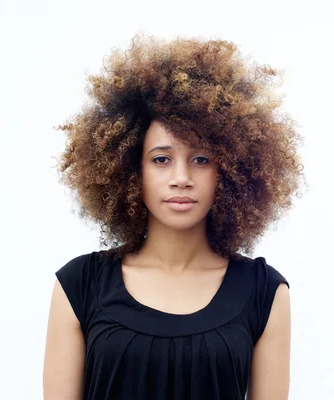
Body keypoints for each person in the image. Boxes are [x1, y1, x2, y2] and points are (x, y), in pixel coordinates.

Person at [42, 33, 305, 400]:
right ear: (132, 170)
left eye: (201, 159)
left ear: (229, 170)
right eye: (161, 159)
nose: (181, 178)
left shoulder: (263, 292)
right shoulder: (80, 286)